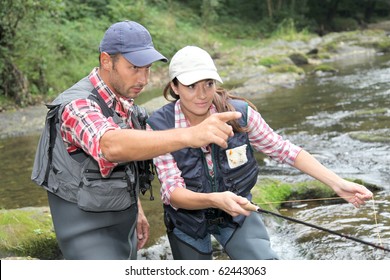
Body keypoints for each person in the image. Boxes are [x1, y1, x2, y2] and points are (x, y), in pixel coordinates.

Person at [31, 22, 241, 260]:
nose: (143, 79)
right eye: (134, 68)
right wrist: (190, 135)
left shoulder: (127, 106)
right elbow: (110, 146)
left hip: (125, 229)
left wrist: (137, 211)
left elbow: (127, 165)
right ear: (106, 61)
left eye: (148, 68)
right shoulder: (77, 105)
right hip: (86, 234)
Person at [146, 45, 373, 260]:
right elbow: (172, 192)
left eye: (208, 84)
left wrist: (336, 183)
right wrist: (215, 199)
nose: (202, 95)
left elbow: (284, 150)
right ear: (175, 87)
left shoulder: (240, 114)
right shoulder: (158, 127)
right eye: (191, 86)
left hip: (237, 216)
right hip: (187, 222)